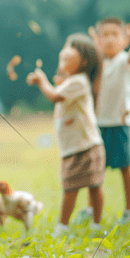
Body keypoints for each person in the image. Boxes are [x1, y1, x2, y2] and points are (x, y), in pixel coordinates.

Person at [27, 33, 105, 236]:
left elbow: (54, 96)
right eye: (62, 59)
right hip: (74, 146)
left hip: (86, 145)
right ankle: (79, 224)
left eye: (68, 59)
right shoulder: (72, 81)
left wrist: (42, 81)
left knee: (87, 186)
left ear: (84, 62)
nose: (63, 63)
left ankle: (71, 225)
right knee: (77, 186)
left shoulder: (79, 81)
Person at [76, 17, 130, 225]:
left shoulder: (124, 61)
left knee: (125, 167)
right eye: (104, 35)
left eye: (115, 34)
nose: (109, 39)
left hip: (119, 123)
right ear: (97, 40)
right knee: (95, 170)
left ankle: (128, 209)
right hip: (97, 125)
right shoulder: (96, 65)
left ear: (124, 40)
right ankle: (91, 208)